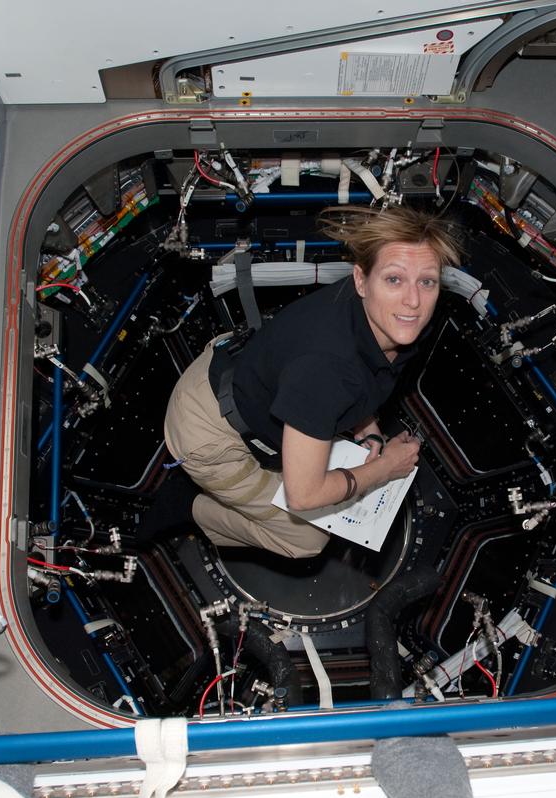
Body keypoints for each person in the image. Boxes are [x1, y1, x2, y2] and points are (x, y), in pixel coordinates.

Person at [140, 205, 463, 558]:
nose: (413, 301)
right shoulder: (324, 369)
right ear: (360, 279)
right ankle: (192, 507)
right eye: (394, 279)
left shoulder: (398, 321)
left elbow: (366, 377)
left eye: (427, 281)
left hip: (246, 377)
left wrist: (367, 428)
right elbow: (304, 495)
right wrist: (386, 468)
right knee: (306, 541)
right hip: (210, 435)